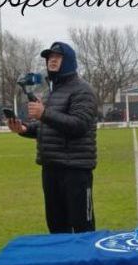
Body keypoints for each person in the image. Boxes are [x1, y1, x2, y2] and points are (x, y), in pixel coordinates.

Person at [8, 41, 99, 234]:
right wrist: (24, 128)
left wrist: (44, 114)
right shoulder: (51, 92)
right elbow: (46, 127)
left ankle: (86, 263)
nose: (51, 61)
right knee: (56, 226)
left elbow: (79, 125)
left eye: (57, 57)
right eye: (49, 58)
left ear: (69, 61)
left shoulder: (83, 90)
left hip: (75, 169)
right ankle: (61, 264)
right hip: (51, 168)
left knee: (83, 226)